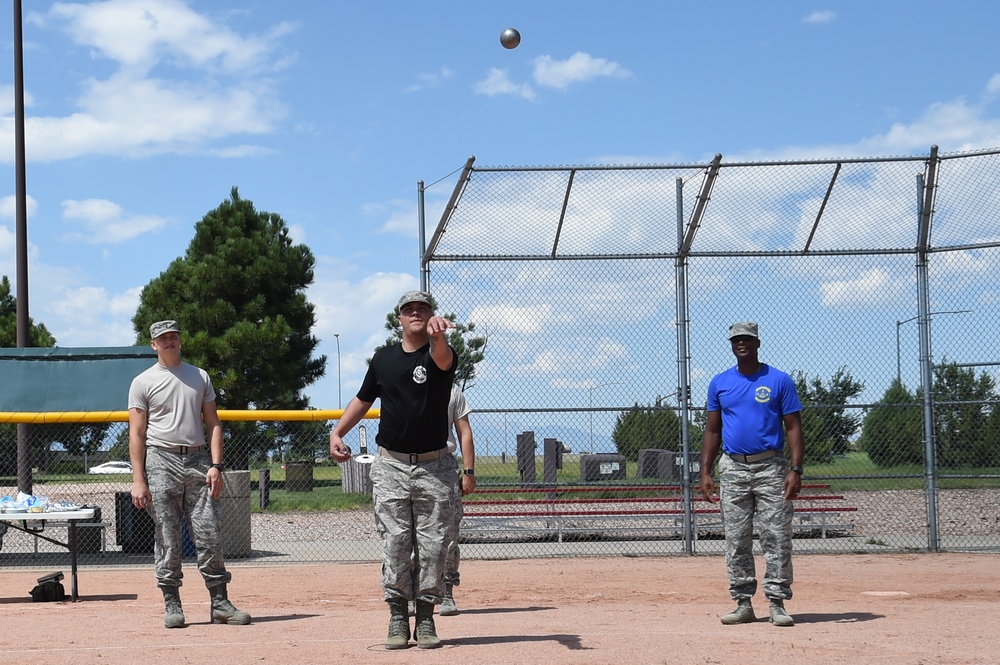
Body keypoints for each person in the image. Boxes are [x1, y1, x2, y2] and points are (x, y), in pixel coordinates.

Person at [329, 291, 458, 650]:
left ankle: (427, 618)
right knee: (396, 544)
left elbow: (443, 359)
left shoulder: (439, 354)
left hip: (435, 467)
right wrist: (338, 431)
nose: (416, 313)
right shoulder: (383, 359)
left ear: (433, 315)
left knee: (433, 546)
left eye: (423, 308)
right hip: (392, 466)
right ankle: (398, 616)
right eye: (408, 309)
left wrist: (438, 337)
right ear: (399, 319)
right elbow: (363, 398)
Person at [128, 320, 251, 629]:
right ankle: (172, 603)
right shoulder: (142, 382)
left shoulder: (199, 376)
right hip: (160, 459)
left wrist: (216, 464)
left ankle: (220, 603)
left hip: (198, 459)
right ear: (153, 344)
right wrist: (139, 480)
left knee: (210, 533)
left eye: (173, 336)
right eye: (162, 338)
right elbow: (137, 434)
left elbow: (214, 423)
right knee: (167, 536)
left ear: (180, 340)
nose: (169, 341)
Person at [699, 321, 804, 628]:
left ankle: (777, 602)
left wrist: (795, 469)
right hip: (733, 467)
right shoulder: (720, 383)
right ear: (731, 345)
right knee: (736, 539)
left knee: (777, 536)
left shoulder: (779, 380)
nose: (741, 343)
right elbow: (712, 429)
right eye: (736, 340)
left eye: (747, 339)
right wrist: (704, 471)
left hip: (771, 466)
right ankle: (743, 602)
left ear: (757, 343)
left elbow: (794, 426)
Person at [440, 384, 476, 616]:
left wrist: (469, 472)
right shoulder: (402, 381)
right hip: (409, 465)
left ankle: (446, 592)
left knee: (448, 535)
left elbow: (464, 431)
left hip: (444, 466)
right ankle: (412, 594)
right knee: (409, 535)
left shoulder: (451, 390)